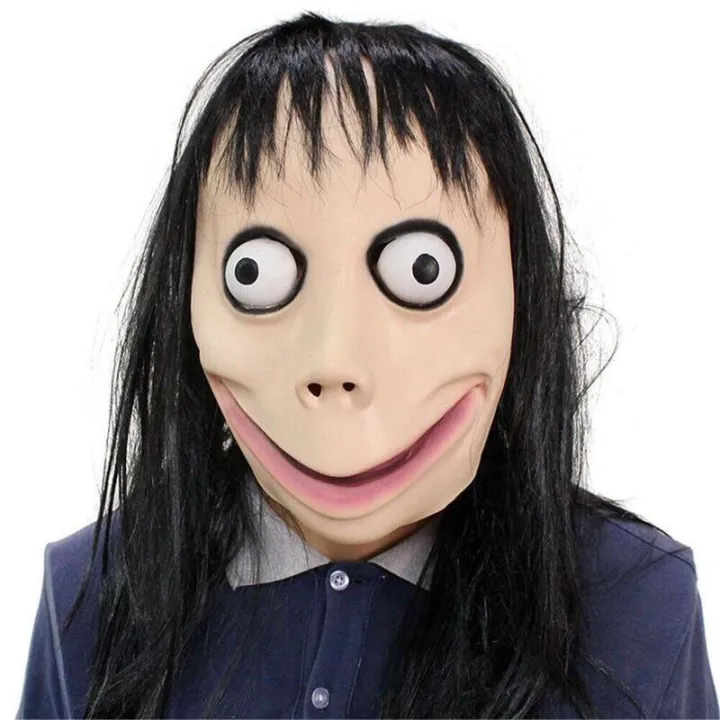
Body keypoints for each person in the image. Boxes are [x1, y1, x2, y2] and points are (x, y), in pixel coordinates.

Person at [16, 12, 718, 719]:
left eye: (422, 270)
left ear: (520, 295)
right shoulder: (91, 591)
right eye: (255, 273)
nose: (334, 361)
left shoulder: (638, 601)